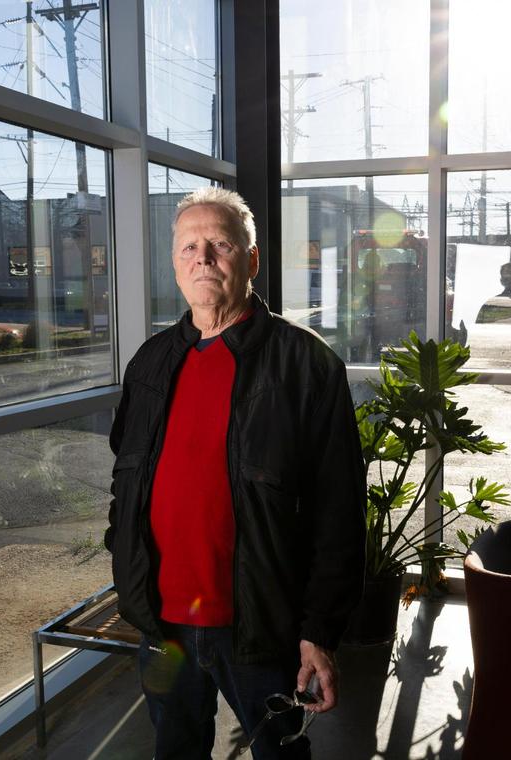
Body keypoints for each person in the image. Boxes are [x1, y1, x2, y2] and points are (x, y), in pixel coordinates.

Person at [104, 187, 366, 759]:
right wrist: (124, 564)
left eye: (220, 244)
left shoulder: (305, 364)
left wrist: (318, 631)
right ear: (175, 263)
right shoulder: (150, 363)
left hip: (260, 628)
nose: (203, 258)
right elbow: (127, 485)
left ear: (251, 259)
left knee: (279, 754)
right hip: (163, 626)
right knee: (175, 751)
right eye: (189, 247)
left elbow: (339, 512)